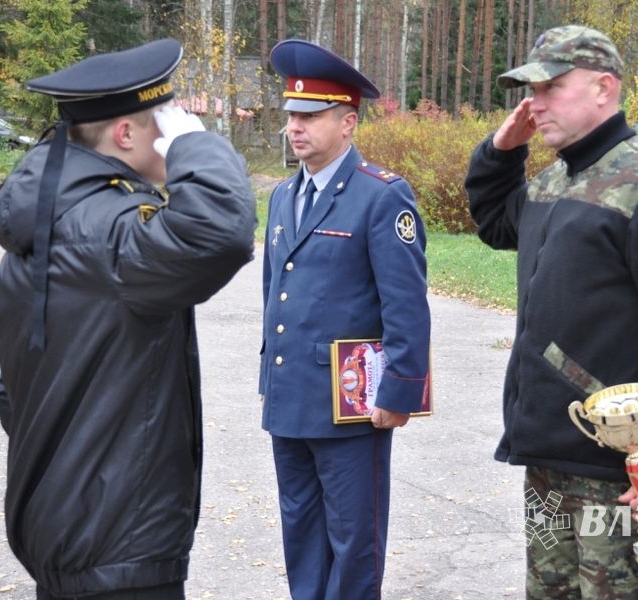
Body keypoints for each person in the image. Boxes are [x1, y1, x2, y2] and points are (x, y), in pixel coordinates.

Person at [0, 39, 256, 599]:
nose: (176, 132)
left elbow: (13, 389)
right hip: (114, 544)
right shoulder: (106, 231)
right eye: (165, 119)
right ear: (126, 134)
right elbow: (218, 232)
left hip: (68, 523)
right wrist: (195, 146)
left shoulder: (52, 220)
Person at [464, 26, 638, 599]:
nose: (535, 103)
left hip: (620, 474)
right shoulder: (555, 180)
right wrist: (501, 149)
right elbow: (495, 223)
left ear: (604, 89)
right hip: (548, 455)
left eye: (552, 87)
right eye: (530, 91)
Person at [259, 39, 431, 600]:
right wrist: (270, 380)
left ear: (348, 122)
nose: (295, 127)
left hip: (351, 402)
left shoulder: (381, 197)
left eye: (310, 116)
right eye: (291, 115)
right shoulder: (283, 196)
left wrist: (401, 391)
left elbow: (405, 304)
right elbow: (275, 294)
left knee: (354, 539)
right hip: (291, 397)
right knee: (301, 532)